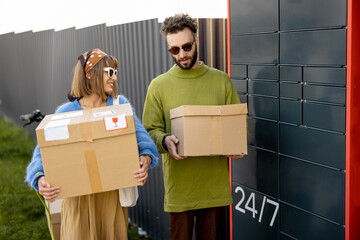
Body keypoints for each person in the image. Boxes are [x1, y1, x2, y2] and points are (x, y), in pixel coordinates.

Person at [26, 48, 158, 239]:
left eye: (115, 73)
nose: (114, 77)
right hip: (78, 201)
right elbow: (42, 153)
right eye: (109, 72)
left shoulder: (118, 106)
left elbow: (142, 139)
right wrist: (39, 178)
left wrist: (145, 158)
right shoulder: (66, 112)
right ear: (89, 74)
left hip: (111, 200)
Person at [142, 14, 243, 240]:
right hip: (180, 190)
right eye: (174, 50)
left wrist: (237, 142)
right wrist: (165, 140)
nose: (182, 55)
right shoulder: (158, 86)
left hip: (214, 189)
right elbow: (149, 131)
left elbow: (237, 122)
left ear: (196, 41)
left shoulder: (220, 80)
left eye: (186, 47)